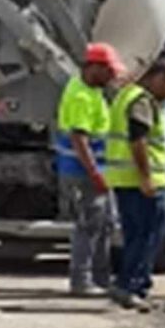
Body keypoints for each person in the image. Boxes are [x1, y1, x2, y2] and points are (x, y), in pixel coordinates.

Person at [104, 58, 165, 310]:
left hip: (124, 180)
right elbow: (137, 140)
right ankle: (133, 287)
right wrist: (146, 177)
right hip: (140, 182)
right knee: (148, 235)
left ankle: (128, 285)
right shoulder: (141, 101)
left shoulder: (126, 95)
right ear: (158, 78)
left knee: (135, 235)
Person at [53, 43, 121, 294]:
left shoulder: (91, 91)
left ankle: (101, 278)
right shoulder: (81, 96)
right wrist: (95, 173)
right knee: (89, 225)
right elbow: (79, 139)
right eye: (109, 71)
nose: (112, 76)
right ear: (94, 68)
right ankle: (81, 281)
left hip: (93, 171)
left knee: (104, 224)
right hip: (82, 173)